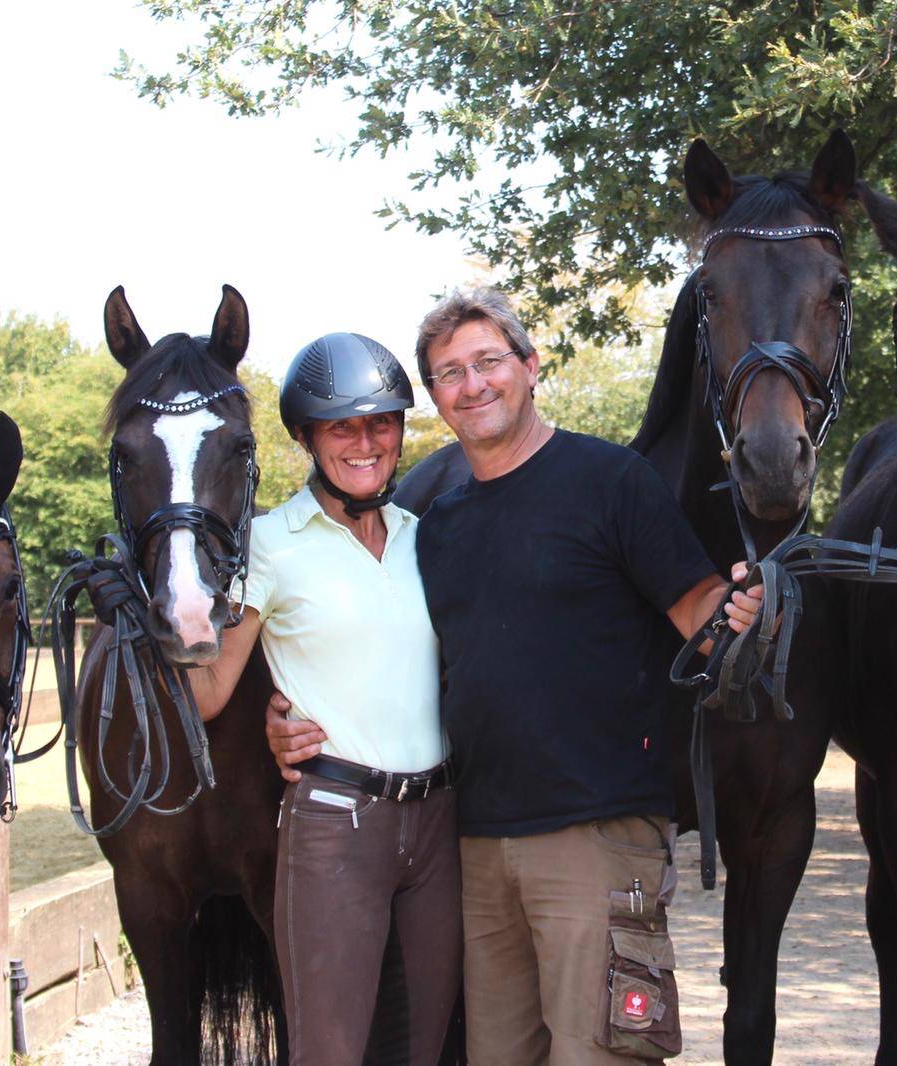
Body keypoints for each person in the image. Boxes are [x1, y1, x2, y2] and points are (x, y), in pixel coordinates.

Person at [268, 289, 767, 1064]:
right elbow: (380, 652)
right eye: (448, 373)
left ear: (531, 368)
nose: (472, 384)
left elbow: (701, 611)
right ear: (434, 398)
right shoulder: (438, 524)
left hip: (595, 836)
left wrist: (743, 614)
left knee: (599, 1053)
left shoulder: (613, 481)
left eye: (489, 362)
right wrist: (286, 714)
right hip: (476, 845)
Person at [173, 333, 460, 1065]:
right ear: (306, 437)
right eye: (342, 426)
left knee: (422, 1050)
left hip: (436, 826)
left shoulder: (424, 539)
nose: (365, 443)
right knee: (329, 1053)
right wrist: (168, 624)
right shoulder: (267, 544)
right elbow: (208, 693)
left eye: (381, 423)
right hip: (337, 826)